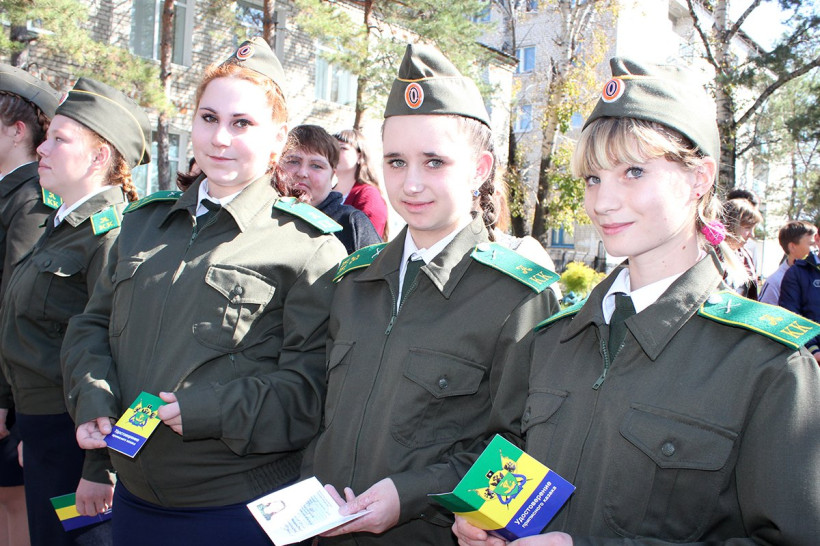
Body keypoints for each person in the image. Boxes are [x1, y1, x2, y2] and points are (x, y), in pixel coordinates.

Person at [453, 57, 820, 545]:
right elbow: (511, 462)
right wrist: (485, 518)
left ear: (699, 179)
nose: (602, 202)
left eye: (633, 171)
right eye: (593, 178)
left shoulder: (766, 363)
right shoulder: (553, 340)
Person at [60, 38, 346, 546]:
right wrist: (94, 397)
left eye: (242, 123)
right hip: (135, 500)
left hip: (234, 509)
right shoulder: (143, 224)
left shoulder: (308, 246)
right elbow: (91, 326)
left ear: (277, 138)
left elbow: (310, 391)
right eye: (208, 118)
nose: (220, 138)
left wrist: (208, 410)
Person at [306, 43, 559, 545]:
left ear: (480, 168)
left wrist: (412, 495)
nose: (412, 183)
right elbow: (322, 420)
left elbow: (524, 450)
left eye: (435, 161)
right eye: (396, 162)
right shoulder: (353, 281)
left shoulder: (517, 295)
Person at [0, 76, 150, 546]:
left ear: (99, 157)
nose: (42, 149)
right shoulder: (64, 225)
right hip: (44, 430)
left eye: (59, 140)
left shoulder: (111, 236)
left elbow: (123, 362)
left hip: (77, 436)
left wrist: (100, 468)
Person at [0, 63, 59, 546]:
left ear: (18, 130)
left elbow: (14, 304)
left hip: (17, 388)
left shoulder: (31, 197)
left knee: (13, 501)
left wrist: (4, 399)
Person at [281, 124, 382, 253]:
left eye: (316, 166)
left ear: (332, 175)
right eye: (293, 161)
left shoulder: (351, 223)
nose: (302, 173)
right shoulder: (263, 210)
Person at [334, 128, 389, 239]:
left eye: (342, 148)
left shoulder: (368, 195)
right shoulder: (324, 193)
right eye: (331, 148)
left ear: (359, 156)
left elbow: (369, 242)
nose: (334, 153)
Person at [779, 223, 820, 365]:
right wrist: (813, 350)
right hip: (811, 361)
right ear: (817, 239)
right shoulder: (796, 273)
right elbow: (790, 317)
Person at [758, 220, 816, 305]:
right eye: (811, 244)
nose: (816, 248)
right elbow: (764, 311)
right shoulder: (775, 282)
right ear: (792, 247)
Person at [721, 197, 762, 299]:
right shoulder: (709, 255)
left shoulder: (745, 256)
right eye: (748, 228)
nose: (751, 235)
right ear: (731, 225)